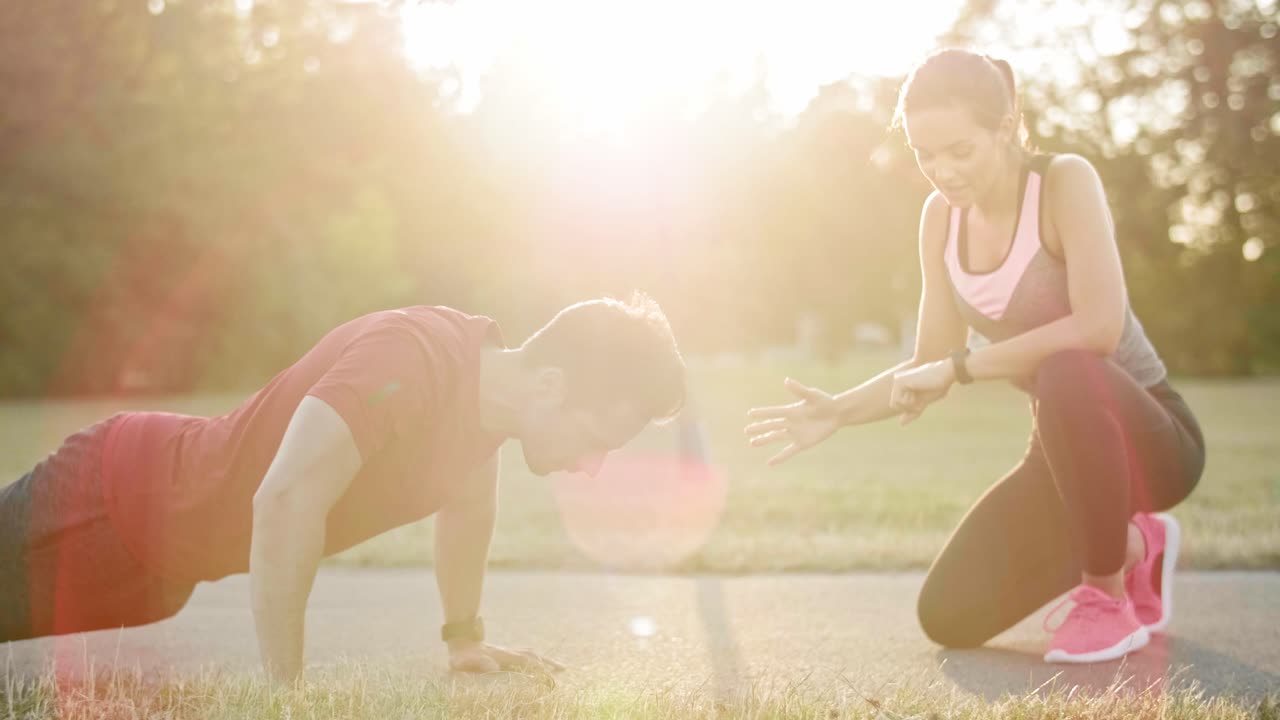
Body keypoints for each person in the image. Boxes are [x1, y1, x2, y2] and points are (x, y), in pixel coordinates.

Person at [745, 49, 1205, 664]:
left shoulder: (1063, 182)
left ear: (1005, 127)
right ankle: (1136, 547)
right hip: (1061, 454)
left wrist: (961, 368)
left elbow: (1097, 328)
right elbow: (929, 361)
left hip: (1152, 440)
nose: (943, 172)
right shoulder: (940, 219)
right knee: (949, 615)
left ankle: (1106, 598)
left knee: (1067, 370)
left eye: (960, 151)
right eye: (925, 155)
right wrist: (839, 411)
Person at [0, 292, 686, 682]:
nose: (593, 464)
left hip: (158, 575)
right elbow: (284, 500)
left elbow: (470, 511)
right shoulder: (410, 358)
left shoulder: (486, 414)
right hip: (106, 497)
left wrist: (463, 639)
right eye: (598, 437)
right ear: (551, 386)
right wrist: (287, 700)